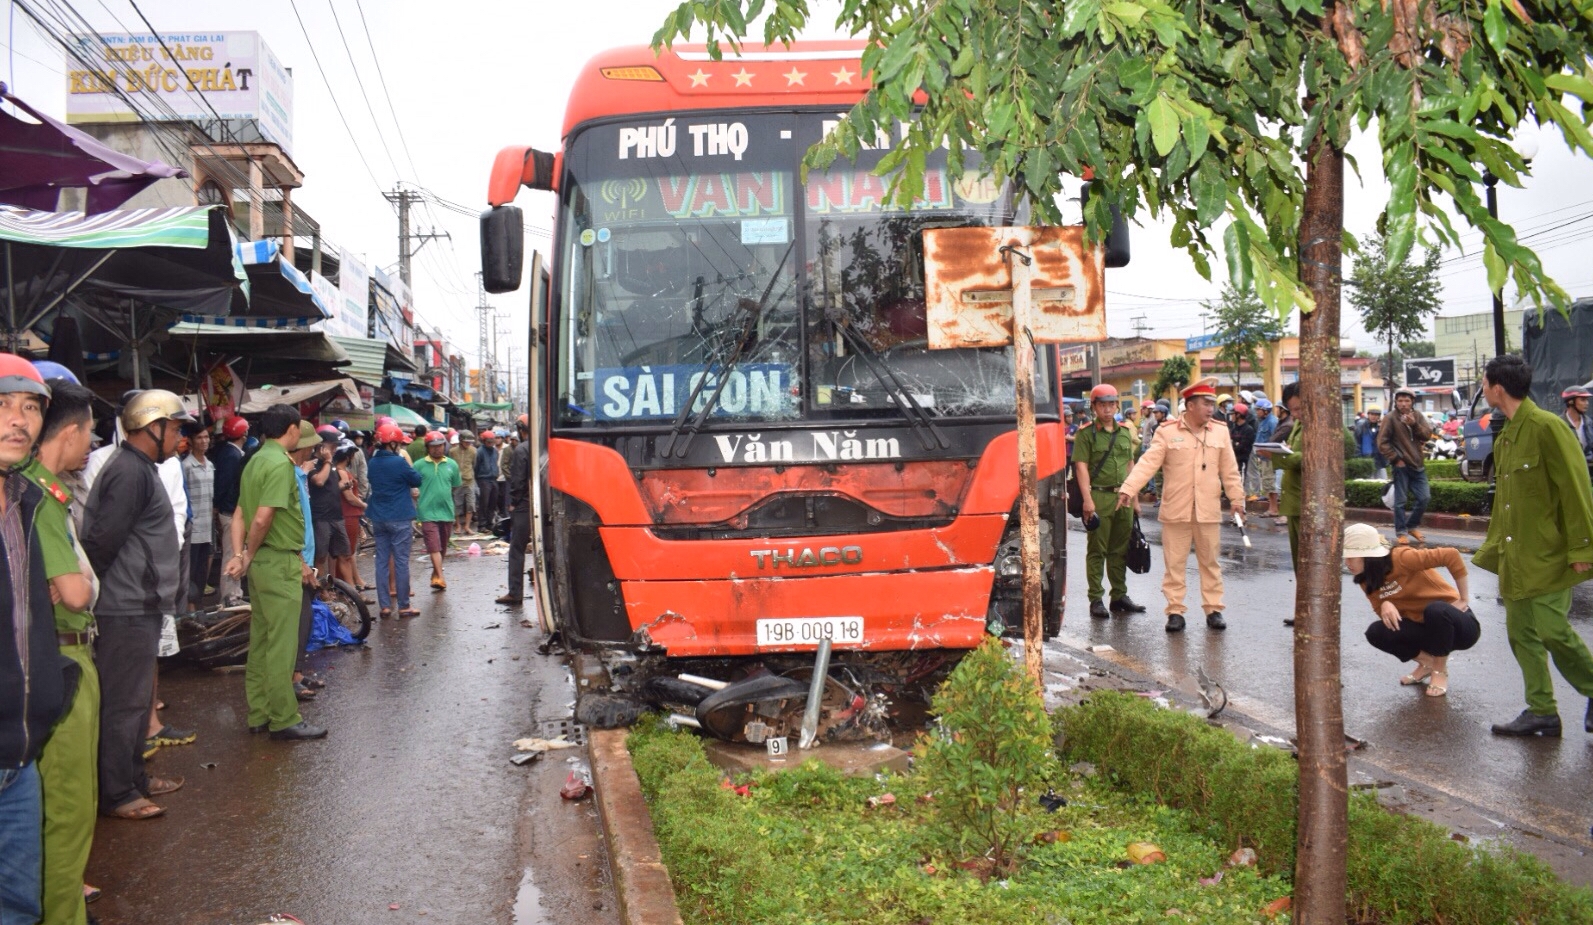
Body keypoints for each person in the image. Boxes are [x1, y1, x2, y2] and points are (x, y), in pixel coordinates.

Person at [80, 390, 192, 818]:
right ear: (152, 428)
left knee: (136, 700)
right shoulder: (130, 472)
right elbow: (102, 542)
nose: (180, 437)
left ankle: (134, 778)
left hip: (139, 603)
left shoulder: (141, 468)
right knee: (124, 704)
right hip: (124, 605)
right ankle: (119, 793)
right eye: (177, 428)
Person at [1470, 355, 1593, 737]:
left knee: (1553, 630)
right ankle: (1542, 710)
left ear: (1497, 388)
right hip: (1516, 557)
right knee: (1520, 633)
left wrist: (1582, 549)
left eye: (1484, 382)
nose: (1483, 387)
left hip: (1549, 555)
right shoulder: (1506, 434)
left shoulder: (1547, 427)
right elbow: (1508, 500)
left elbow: (1576, 491)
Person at [22, 377, 101, 925]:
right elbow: (75, 591)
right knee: (69, 808)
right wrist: (79, 584)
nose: (92, 445)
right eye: (90, 433)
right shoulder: (39, 493)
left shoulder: (36, 488)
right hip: (64, 656)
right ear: (68, 432)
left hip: (49, 653)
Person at [0, 357, 72, 925]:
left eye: (29, 408)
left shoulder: (25, 503)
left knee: (21, 908)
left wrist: (52, 687)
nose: (18, 421)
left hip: (21, 756)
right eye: (1, 405)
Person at [224, 406, 326, 741]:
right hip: (276, 563)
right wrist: (248, 555)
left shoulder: (254, 460)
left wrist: (241, 555)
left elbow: (240, 515)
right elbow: (261, 518)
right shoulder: (280, 464)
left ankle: (259, 713)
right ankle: (284, 718)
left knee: (262, 642)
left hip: (265, 564)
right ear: (293, 430)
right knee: (282, 646)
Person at [1117, 378, 1246, 632]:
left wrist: (1237, 499)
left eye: (1212, 403)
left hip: (1207, 510)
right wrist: (1129, 489)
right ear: (1190, 405)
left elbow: (1230, 470)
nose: (1211, 408)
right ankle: (1175, 611)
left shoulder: (1220, 431)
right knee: (1174, 565)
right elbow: (1147, 464)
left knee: (1210, 563)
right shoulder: (1167, 432)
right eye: (1206, 403)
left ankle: (1214, 609)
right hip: (1176, 510)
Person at [1342, 522, 1478, 698]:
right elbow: (1389, 620)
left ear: (1367, 555)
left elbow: (1451, 555)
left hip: (1458, 626)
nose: (1347, 563)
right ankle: (1428, 663)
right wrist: (1385, 604)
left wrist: (1464, 598)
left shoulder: (1401, 558)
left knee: (1435, 610)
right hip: (1427, 631)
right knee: (1376, 632)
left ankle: (1439, 671)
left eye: (1351, 557)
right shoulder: (1365, 579)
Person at [1073, 385, 1147, 620]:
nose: (1107, 409)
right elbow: (1081, 468)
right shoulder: (1085, 434)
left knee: (1119, 550)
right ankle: (1096, 598)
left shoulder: (1126, 432)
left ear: (1117, 406)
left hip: (1123, 497)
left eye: (1111, 404)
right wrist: (1087, 500)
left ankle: (1119, 596)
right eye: (1102, 405)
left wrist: (1135, 499)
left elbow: (1130, 467)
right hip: (1099, 497)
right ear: (1094, 407)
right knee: (1097, 550)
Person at [368, 423, 422, 618]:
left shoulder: (372, 462)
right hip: (399, 517)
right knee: (400, 561)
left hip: (379, 518)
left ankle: (384, 606)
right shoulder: (398, 462)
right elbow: (416, 480)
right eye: (398, 443)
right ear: (391, 443)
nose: (399, 447)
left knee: (381, 561)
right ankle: (404, 606)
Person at [1378, 388, 1434, 545]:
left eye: (1407, 401)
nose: (1403, 404)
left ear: (1412, 402)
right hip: (1401, 466)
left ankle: (1411, 525)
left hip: (1418, 465)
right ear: (1396, 402)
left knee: (1424, 497)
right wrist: (1396, 459)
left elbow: (1427, 435)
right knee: (1400, 501)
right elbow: (1382, 443)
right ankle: (1401, 531)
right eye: (1400, 401)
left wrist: (1414, 425)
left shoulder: (1417, 416)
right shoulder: (1390, 418)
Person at [416, 432, 462, 591]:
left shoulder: (452, 465)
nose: (437, 449)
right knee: (434, 546)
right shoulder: (419, 465)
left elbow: (455, 485)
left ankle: (435, 574)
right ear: (428, 448)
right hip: (427, 512)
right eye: (433, 446)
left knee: (442, 546)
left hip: (446, 511)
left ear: (445, 446)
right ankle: (440, 576)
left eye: (440, 446)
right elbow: (412, 485)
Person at [212, 416, 249, 606]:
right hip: (230, 512)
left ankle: (235, 593)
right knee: (232, 554)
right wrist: (219, 506)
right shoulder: (231, 455)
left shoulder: (230, 452)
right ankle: (230, 596)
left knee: (235, 552)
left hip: (230, 511)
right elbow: (224, 485)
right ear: (243, 433)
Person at [498, 416, 534, 606]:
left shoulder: (521, 450)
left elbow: (518, 481)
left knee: (517, 549)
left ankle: (515, 592)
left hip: (523, 506)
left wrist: (513, 502)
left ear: (521, 430)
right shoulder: (542, 447)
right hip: (541, 504)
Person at [183, 427, 216, 606]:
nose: (204, 441)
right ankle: (190, 609)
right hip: (193, 527)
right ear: (191, 441)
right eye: (199, 437)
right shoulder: (186, 465)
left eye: (206, 437)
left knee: (203, 571)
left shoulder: (210, 465)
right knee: (191, 570)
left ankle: (197, 607)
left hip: (207, 526)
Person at [336, 445, 369, 590]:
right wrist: (363, 504)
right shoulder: (342, 472)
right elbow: (349, 497)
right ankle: (350, 588)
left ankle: (354, 583)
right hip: (349, 514)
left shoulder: (339, 471)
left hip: (348, 514)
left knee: (349, 552)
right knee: (347, 553)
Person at [1559, 386, 1593, 481]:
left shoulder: (1589, 422)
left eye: (1587, 400)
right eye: (1582, 400)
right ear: (1571, 401)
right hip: (1569, 472)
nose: (1586, 403)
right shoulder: (1559, 423)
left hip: (1588, 470)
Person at [450, 430, 479, 534]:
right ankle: (458, 526)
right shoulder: (452, 451)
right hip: (456, 482)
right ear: (461, 440)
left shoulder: (474, 451)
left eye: (470, 442)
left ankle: (467, 526)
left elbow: (474, 464)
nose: (468, 444)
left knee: (470, 504)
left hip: (469, 481)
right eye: (466, 442)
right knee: (457, 504)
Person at [1249, 398, 1276, 505]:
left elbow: (1275, 439)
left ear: (1265, 410)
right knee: (1265, 480)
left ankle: (1272, 507)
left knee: (1269, 481)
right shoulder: (1263, 422)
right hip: (1263, 457)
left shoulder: (1272, 422)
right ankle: (1268, 501)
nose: (1256, 412)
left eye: (1258, 410)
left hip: (1269, 457)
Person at [475, 430, 501, 531]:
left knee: (493, 502)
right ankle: (482, 525)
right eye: (488, 442)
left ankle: (490, 523)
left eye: (492, 441)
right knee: (484, 503)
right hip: (483, 479)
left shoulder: (495, 451)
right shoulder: (480, 452)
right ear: (484, 441)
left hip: (494, 479)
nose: (490, 444)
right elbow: (476, 467)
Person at [1229, 401, 1256, 494]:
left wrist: (1235, 444)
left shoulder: (1248, 429)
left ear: (1238, 415)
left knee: (1242, 483)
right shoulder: (1234, 428)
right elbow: (1230, 443)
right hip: (1234, 461)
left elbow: (1242, 446)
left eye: (1233, 414)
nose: (1231, 416)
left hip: (1244, 461)